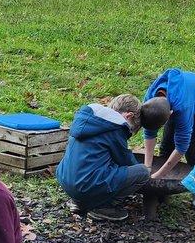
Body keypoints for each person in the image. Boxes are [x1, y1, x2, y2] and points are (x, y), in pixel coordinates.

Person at [55, 94, 151, 223]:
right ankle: (102, 207)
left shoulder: (88, 119)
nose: (128, 133)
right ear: (128, 116)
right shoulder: (116, 127)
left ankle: (79, 201)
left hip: (65, 180)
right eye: (131, 129)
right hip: (86, 184)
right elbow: (125, 161)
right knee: (142, 172)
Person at [141, 69, 195, 200]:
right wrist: (148, 167)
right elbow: (149, 131)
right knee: (166, 147)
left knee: (192, 151)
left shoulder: (183, 108)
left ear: (170, 114)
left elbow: (182, 147)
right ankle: (162, 188)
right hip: (179, 97)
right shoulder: (149, 99)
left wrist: (156, 176)